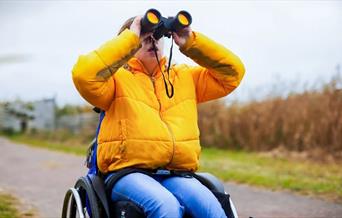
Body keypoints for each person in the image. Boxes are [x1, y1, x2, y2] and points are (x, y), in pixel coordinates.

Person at [72, 13, 245, 218]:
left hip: (176, 174)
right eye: (144, 36)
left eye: (156, 36)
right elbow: (83, 75)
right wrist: (131, 38)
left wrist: (191, 41)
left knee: (212, 210)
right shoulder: (114, 80)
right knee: (166, 206)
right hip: (128, 174)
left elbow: (233, 73)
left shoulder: (184, 77)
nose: (151, 40)